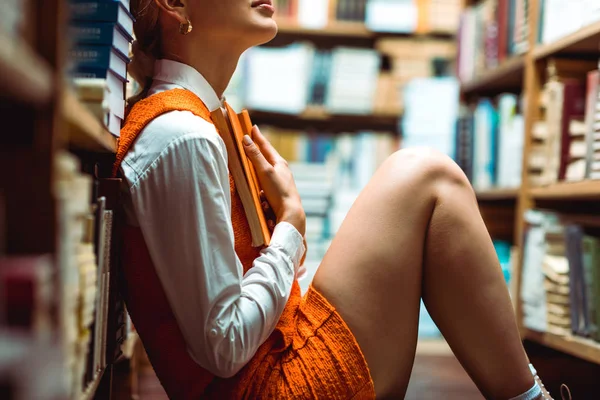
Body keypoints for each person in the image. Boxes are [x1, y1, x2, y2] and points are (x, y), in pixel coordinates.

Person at [115, 0, 562, 399]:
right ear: (174, 3)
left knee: (425, 181)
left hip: (275, 354)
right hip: (266, 386)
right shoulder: (182, 136)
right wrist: (290, 225)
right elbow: (224, 344)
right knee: (426, 175)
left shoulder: (203, 119)